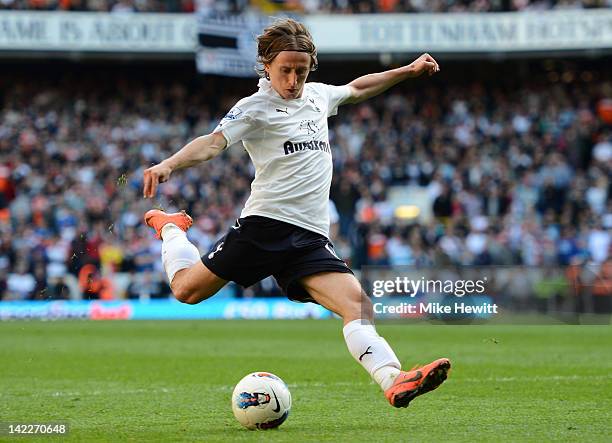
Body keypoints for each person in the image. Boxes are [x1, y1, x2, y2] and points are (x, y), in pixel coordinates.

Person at [142, 18, 450, 408]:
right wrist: (170, 164)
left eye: (300, 71)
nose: (292, 80)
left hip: (310, 237)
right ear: (266, 66)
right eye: (285, 70)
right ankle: (171, 229)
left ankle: (393, 378)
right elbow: (213, 143)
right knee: (186, 291)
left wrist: (407, 70)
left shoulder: (319, 96)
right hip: (264, 226)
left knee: (357, 306)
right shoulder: (253, 108)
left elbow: (358, 88)